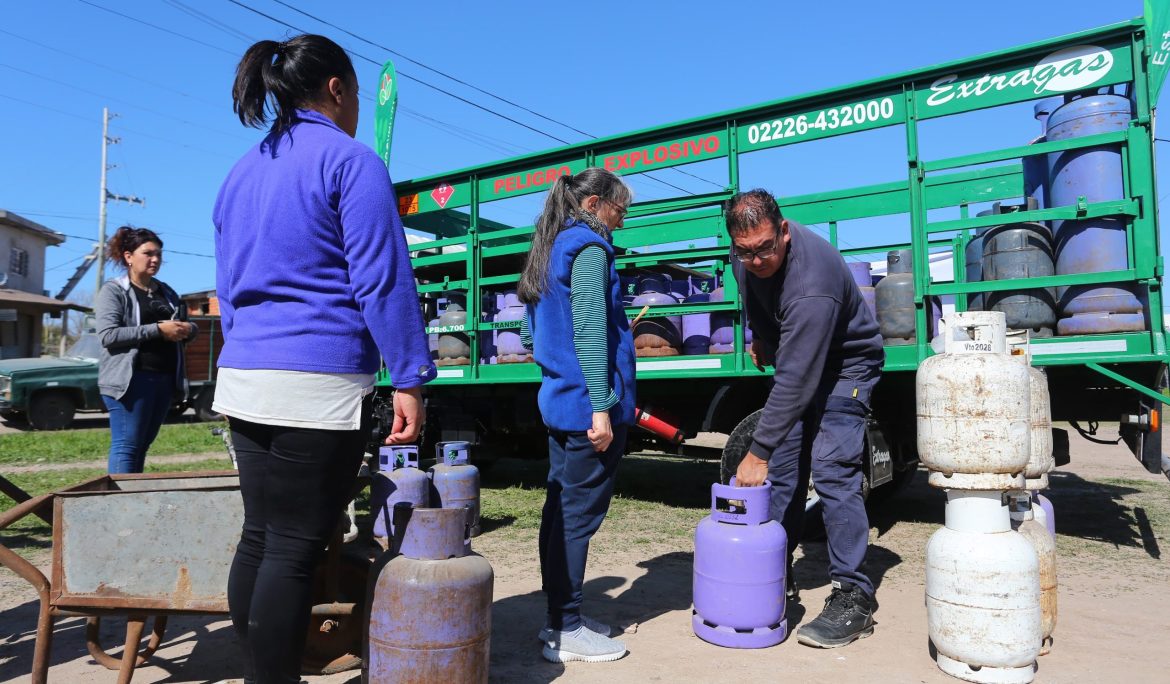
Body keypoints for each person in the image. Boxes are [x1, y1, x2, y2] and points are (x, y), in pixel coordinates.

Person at [212, 34, 434, 684]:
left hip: (244, 374)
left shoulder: (242, 170)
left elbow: (227, 289)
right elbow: (382, 280)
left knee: (260, 537)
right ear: (337, 89)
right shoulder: (349, 160)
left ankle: (260, 671)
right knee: (293, 548)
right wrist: (410, 376)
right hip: (316, 376)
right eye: (357, 94)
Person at [727, 189, 885, 648]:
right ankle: (772, 573)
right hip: (799, 355)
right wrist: (761, 337)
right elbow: (754, 298)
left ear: (784, 232)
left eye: (765, 249)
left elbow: (795, 379)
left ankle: (853, 596)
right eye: (745, 251)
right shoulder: (745, 256)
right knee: (785, 469)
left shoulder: (810, 283)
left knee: (832, 469)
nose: (756, 260)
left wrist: (756, 452)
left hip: (846, 365)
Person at [518, 167, 637, 664]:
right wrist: (601, 406)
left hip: (560, 401)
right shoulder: (587, 248)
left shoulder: (550, 248)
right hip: (586, 409)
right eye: (619, 209)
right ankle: (566, 628)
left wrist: (556, 367)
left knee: (560, 512)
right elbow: (590, 330)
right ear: (593, 206)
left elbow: (527, 331)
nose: (622, 220)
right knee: (577, 518)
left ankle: (558, 620)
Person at [96, 226, 197, 474]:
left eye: (159, 255)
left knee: (141, 446)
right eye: (148, 253)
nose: (155, 259)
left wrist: (188, 329)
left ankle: (132, 500)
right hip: (130, 381)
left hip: (163, 379)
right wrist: (158, 330)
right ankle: (118, 504)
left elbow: (185, 324)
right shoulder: (114, 291)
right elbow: (108, 335)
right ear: (129, 256)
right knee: (127, 446)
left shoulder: (167, 292)